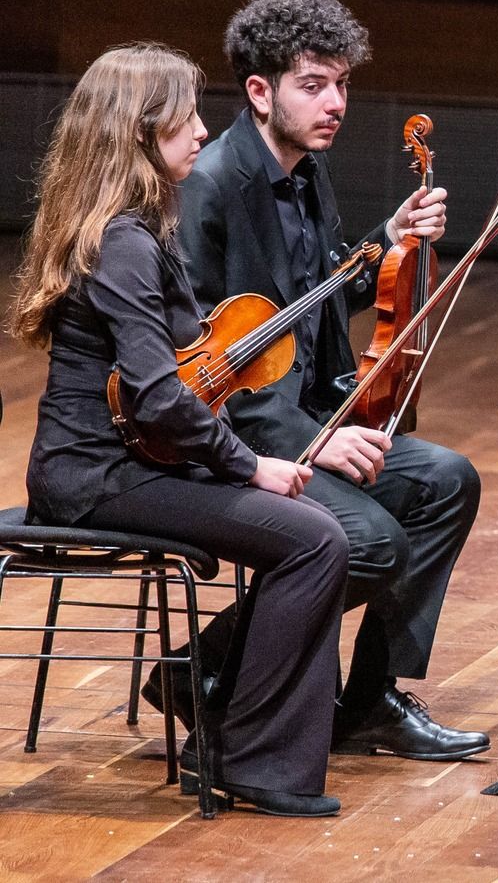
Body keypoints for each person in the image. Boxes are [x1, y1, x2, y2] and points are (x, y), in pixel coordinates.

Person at [11, 44, 350, 816]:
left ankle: (235, 735)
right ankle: (242, 753)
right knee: (315, 539)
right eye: (184, 116)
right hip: (96, 478)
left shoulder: (136, 226)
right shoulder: (122, 241)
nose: (202, 129)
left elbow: (181, 372)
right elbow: (158, 397)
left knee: (316, 532)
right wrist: (249, 465)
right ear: (137, 131)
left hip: (129, 463)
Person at [177, 0, 489, 762]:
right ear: (260, 90)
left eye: (342, 83)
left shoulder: (308, 173)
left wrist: (388, 244)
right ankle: (214, 675)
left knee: (447, 479)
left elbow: (319, 300)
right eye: (314, 84)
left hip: (315, 415)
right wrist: (314, 446)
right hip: (244, 438)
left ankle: (368, 699)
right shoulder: (212, 187)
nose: (336, 102)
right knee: (371, 540)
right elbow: (203, 369)